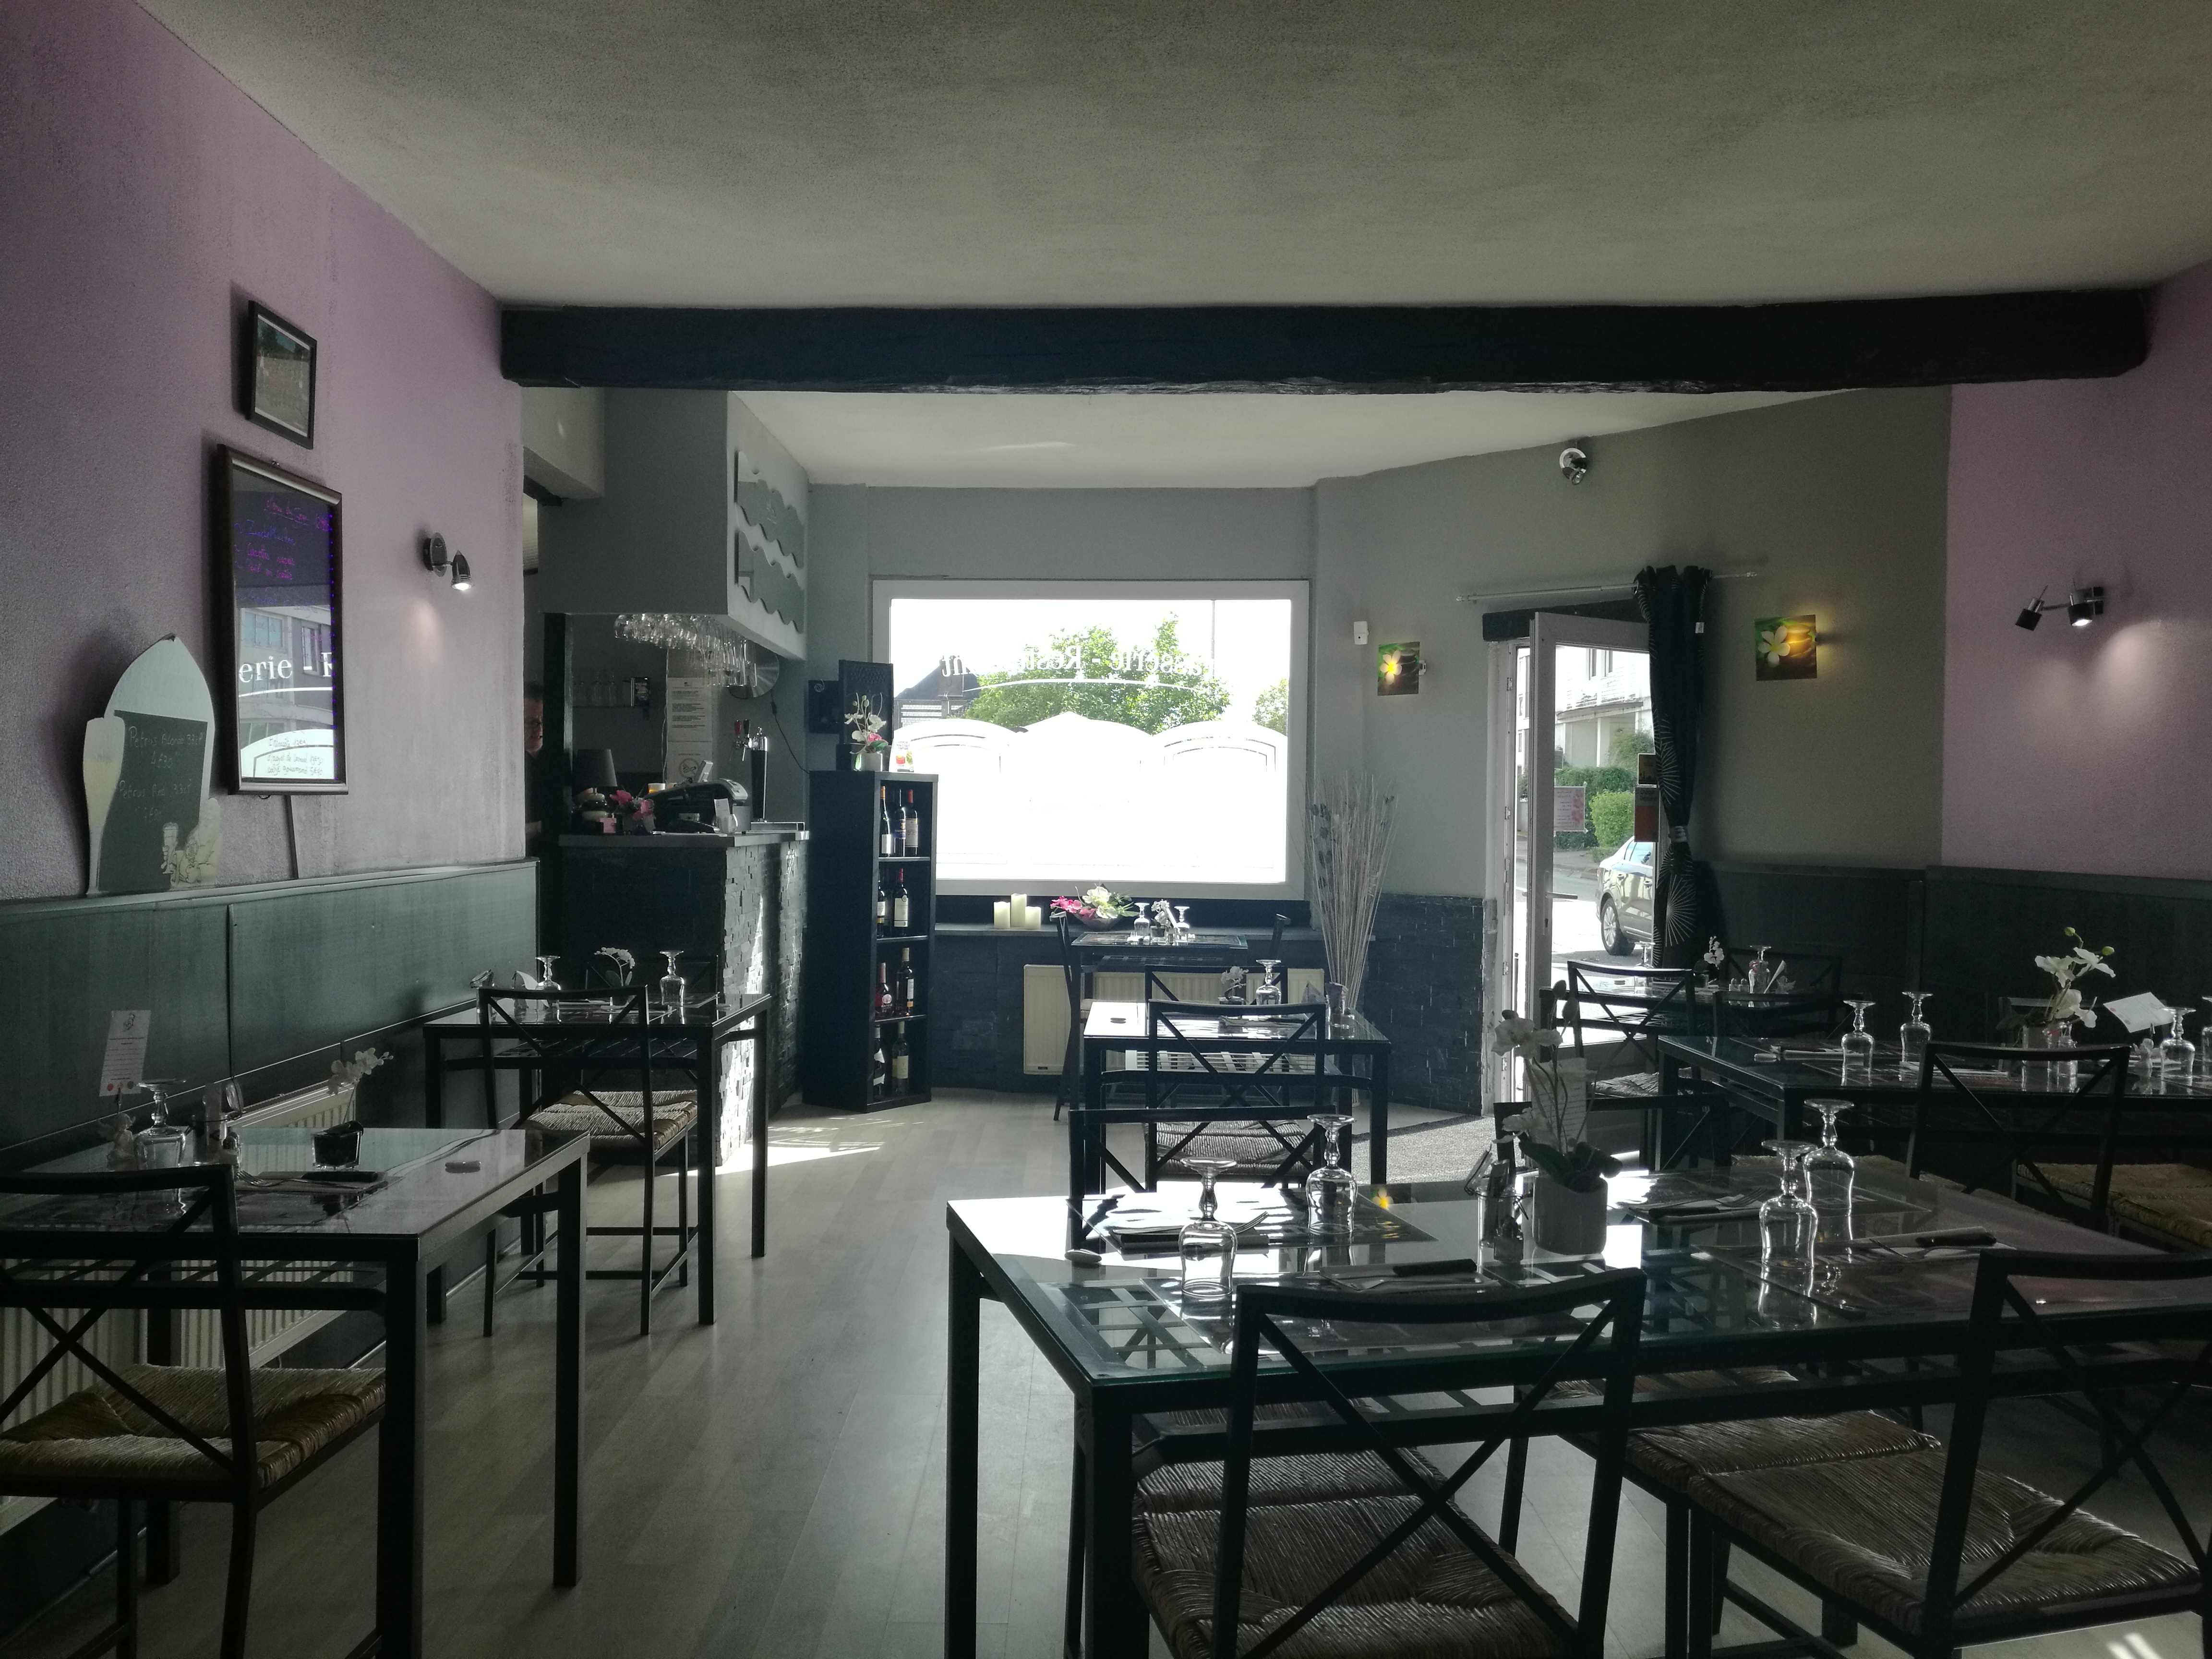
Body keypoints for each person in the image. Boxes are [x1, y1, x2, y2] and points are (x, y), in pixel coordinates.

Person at [523, 681, 546, 851]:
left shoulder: (560, 756)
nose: (538, 730)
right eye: (530, 722)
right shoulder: (502, 761)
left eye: (542, 722)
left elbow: (587, 800)